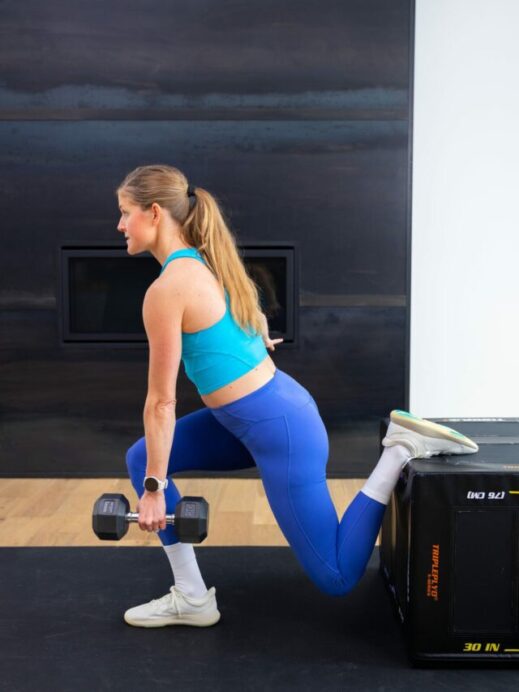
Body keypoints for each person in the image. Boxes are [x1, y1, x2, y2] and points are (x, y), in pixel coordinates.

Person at [116, 164, 479, 628]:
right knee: (141, 456)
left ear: (153, 212)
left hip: (279, 429)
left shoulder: (167, 289)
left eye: (125, 213)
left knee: (336, 575)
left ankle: (399, 450)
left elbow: (161, 403)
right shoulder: (206, 260)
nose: (120, 225)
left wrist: (154, 490)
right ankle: (192, 598)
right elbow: (244, 319)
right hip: (244, 419)